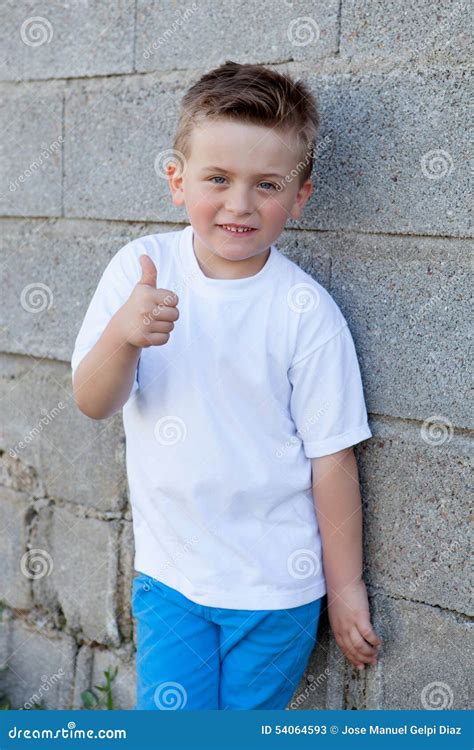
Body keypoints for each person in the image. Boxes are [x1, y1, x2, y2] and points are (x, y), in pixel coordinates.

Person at [71, 60, 382, 711]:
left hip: (277, 591)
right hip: (171, 580)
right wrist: (123, 335)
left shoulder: (306, 312)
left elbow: (332, 460)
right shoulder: (142, 271)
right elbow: (93, 402)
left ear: (300, 197)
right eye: (218, 178)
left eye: (266, 184)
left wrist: (345, 586)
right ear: (177, 181)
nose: (240, 203)